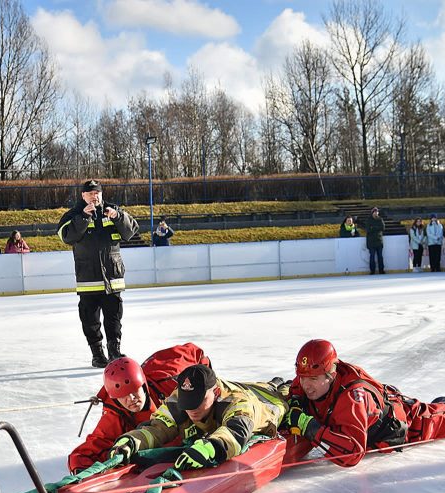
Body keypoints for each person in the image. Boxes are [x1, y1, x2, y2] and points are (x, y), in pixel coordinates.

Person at [281, 339, 445, 468]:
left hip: (406, 424)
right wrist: (295, 406)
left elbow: (351, 454)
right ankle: (443, 403)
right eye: (302, 378)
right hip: (387, 408)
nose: (306, 385)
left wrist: (307, 425)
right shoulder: (306, 381)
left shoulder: (352, 398)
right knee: (442, 407)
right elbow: (295, 391)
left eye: (313, 379)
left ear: (330, 374)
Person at [106, 364, 287, 471]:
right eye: (187, 402)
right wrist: (131, 441)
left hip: (268, 402)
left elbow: (237, 431)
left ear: (215, 392)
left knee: (281, 391)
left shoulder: (237, 402)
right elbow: (157, 427)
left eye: (197, 401)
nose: (191, 409)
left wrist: (211, 448)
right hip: (241, 387)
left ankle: (277, 384)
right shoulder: (181, 396)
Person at [67, 342, 211, 473]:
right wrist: (80, 472)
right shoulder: (115, 414)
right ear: (115, 399)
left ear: (144, 385)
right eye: (123, 396)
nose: (131, 399)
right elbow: (87, 451)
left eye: (134, 391)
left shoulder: (172, 383)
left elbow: (194, 352)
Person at [58, 180, 139, 368]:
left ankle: (114, 351)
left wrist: (118, 216)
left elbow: (132, 231)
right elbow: (66, 236)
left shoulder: (112, 210)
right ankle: (97, 354)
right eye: (90, 193)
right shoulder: (74, 215)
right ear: (83, 196)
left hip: (113, 279)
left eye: (97, 193)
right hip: (88, 280)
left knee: (114, 318)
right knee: (90, 320)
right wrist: (83, 218)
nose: (95, 196)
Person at [362, 207, 385, 274]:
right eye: (375, 212)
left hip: (379, 241)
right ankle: (372, 271)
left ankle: (381, 270)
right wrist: (377, 228)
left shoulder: (380, 219)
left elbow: (383, 228)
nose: (376, 213)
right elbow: (368, 230)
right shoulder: (368, 220)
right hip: (371, 242)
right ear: (372, 213)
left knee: (380, 256)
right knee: (372, 256)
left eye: (377, 212)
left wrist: (373, 227)